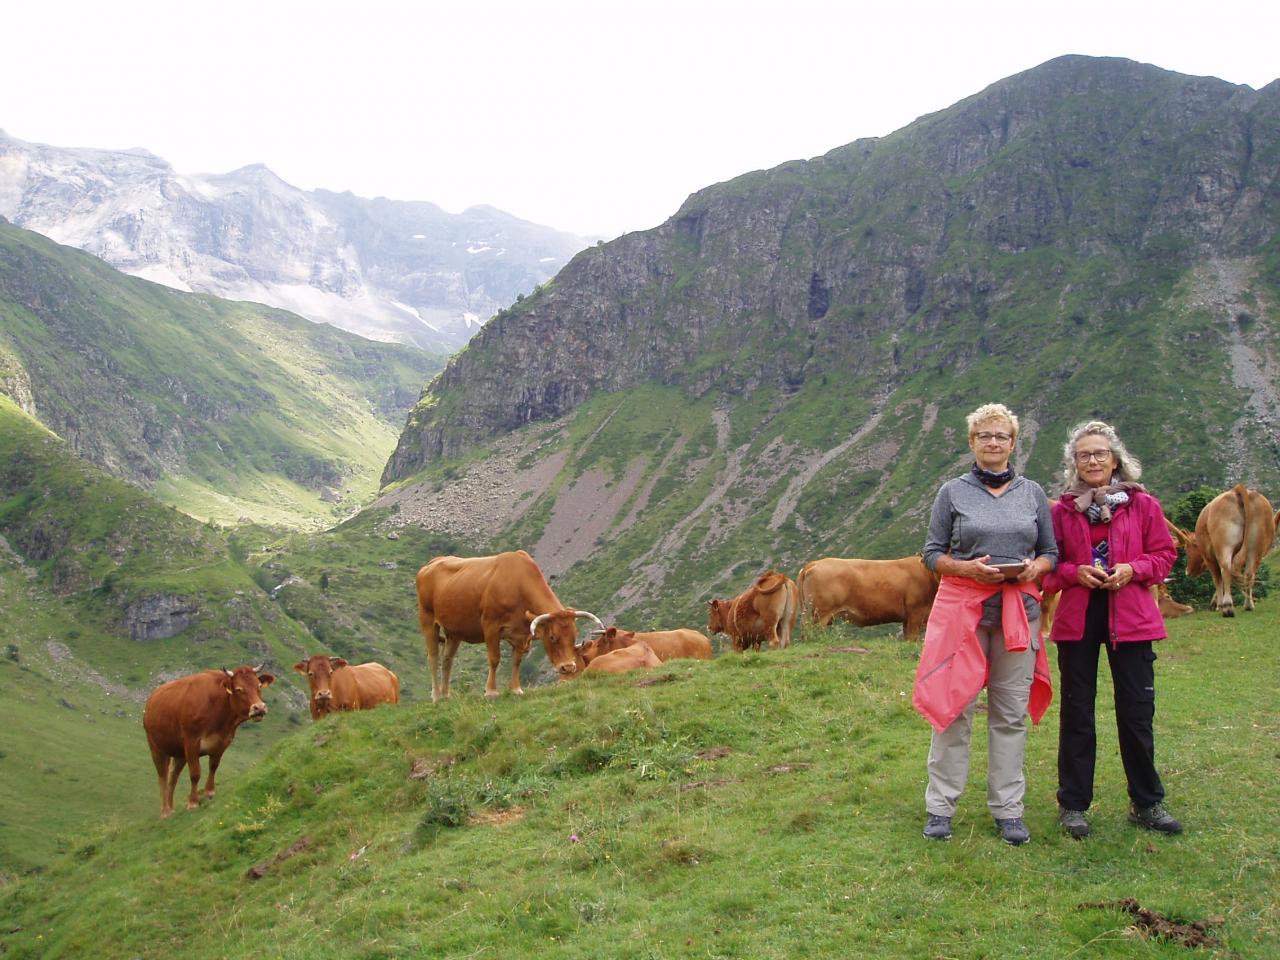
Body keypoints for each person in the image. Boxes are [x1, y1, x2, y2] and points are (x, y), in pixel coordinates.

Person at [913, 403, 1057, 845]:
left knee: (1010, 714)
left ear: (1013, 443)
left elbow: (1051, 552)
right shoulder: (951, 493)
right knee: (953, 710)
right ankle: (941, 807)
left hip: (1019, 616)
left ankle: (1008, 810)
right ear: (972, 442)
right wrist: (967, 570)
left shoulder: (1032, 493)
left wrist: (1036, 569)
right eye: (985, 436)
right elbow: (932, 554)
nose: (993, 443)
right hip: (965, 616)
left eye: (1001, 436)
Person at [1042, 421, 1181, 838]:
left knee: (1137, 713)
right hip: (1079, 619)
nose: (1093, 461)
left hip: (1133, 619)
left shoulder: (1143, 505)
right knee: (1077, 712)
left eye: (1100, 453)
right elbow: (1048, 568)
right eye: (1084, 455)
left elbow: (1163, 555)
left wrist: (1132, 569)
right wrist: (1073, 572)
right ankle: (1073, 806)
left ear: (1116, 458)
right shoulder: (1062, 511)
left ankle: (1147, 803)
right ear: (1074, 463)